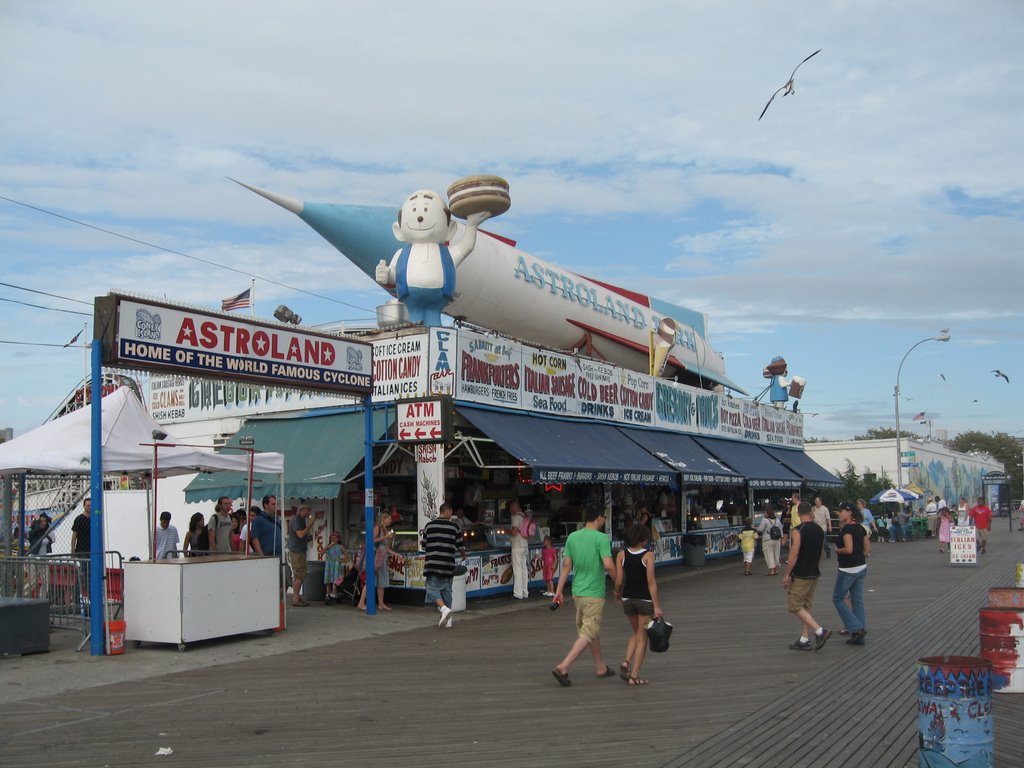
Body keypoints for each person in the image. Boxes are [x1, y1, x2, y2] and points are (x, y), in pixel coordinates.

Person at [551, 507, 616, 686]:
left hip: (577, 592)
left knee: (589, 629)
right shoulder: (601, 538)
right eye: (604, 517)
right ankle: (564, 666)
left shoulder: (573, 537)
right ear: (599, 518)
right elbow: (609, 566)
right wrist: (618, 584)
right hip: (594, 593)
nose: (604, 520)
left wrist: (558, 591)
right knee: (588, 632)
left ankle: (601, 667)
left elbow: (566, 566)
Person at [613, 524, 663, 686]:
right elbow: (651, 582)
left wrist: (617, 593)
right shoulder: (648, 556)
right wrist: (656, 606)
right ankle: (634, 676)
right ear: (642, 539)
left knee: (636, 632)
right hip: (644, 600)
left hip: (628, 599)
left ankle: (627, 661)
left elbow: (619, 580)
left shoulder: (621, 555)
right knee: (642, 637)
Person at [781, 502, 830, 651]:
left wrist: (787, 574)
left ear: (797, 514)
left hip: (801, 573)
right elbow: (820, 552)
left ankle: (820, 631)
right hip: (814, 572)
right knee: (806, 607)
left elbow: (794, 553)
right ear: (811, 513)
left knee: (795, 604)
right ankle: (804, 638)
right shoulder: (819, 530)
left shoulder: (798, 530)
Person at [833, 502, 870, 645]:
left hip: (848, 569)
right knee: (858, 601)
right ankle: (860, 636)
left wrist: (837, 550)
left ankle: (856, 627)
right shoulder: (860, 528)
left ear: (850, 513)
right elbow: (867, 549)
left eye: (841, 511)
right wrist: (860, 556)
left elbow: (848, 549)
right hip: (861, 567)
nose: (839, 513)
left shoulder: (847, 529)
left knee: (837, 598)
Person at [421, 503, 464, 628]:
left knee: (430, 588)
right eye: (451, 512)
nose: (451, 515)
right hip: (448, 564)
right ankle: (449, 619)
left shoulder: (429, 526)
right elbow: (460, 546)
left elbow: (424, 546)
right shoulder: (455, 527)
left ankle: (444, 609)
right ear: (447, 511)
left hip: (433, 563)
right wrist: (463, 555)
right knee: (447, 591)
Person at [358, 511, 403, 611]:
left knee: (381, 581)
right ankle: (361, 602)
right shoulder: (377, 529)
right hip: (375, 557)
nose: (390, 521)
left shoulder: (385, 530)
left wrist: (397, 555)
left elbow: (386, 548)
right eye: (389, 519)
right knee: (370, 580)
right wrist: (385, 537)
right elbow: (371, 540)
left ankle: (381, 603)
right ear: (383, 519)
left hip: (382, 558)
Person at [287, 506, 315, 606]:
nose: (309, 512)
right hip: (296, 551)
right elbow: (300, 534)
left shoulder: (302, 520)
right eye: (308, 510)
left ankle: (297, 597)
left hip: (300, 550)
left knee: (300, 574)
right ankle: (295, 598)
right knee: (299, 575)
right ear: (301, 510)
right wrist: (311, 524)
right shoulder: (295, 520)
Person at [508, 500, 530, 600]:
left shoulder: (516, 517)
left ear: (514, 507)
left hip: (517, 546)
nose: (509, 510)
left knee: (517, 569)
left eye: (510, 508)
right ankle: (525, 592)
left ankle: (518, 593)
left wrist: (504, 530)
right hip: (525, 545)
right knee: (524, 569)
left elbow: (514, 532)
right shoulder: (524, 516)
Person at [756, 505, 783, 575]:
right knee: (776, 555)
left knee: (769, 554)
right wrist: (782, 539)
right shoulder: (777, 520)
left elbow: (760, 530)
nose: (764, 514)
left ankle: (771, 571)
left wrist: (755, 528)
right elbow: (781, 530)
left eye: (765, 513)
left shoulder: (764, 520)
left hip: (767, 539)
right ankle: (776, 570)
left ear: (767, 513)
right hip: (777, 539)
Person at [323, 531, 348, 600]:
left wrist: (341, 561)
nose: (333, 540)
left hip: (336, 565)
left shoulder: (340, 546)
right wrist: (328, 547)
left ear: (338, 539)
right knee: (328, 581)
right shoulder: (328, 546)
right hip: (329, 565)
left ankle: (334, 594)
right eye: (331, 538)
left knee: (335, 580)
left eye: (335, 538)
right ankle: (327, 594)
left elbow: (347, 555)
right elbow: (321, 553)